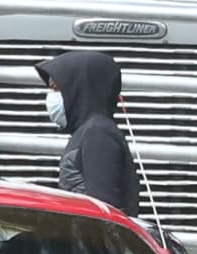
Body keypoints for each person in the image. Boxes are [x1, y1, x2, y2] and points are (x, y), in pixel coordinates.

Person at [39, 50, 150, 225]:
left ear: (79, 88)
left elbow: (103, 212)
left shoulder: (98, 133)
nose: (51, 97)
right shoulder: (87, 131)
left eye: (56, 89)